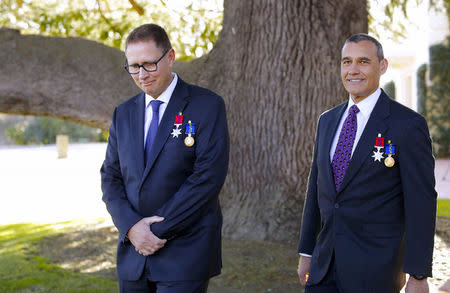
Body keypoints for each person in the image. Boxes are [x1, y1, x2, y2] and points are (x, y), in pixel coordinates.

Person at [297, 33, 437, 293]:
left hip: (375, 272)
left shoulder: (407, 125)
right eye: (346, 61)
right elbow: (316, 189)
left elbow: (421, 203)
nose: (353, 70)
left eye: (363, 61)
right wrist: (306, 251)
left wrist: (417, 274)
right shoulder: (327, 121)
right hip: (323, 268)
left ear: (382, 66)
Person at [101, 23, 229, 293]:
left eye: (149, 64)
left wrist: (155, 232)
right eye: (133, 66)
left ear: (170, 57)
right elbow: (111, 177)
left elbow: (207, 178)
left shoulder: (207, 105)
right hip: (133, 255)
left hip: (185, 253)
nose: (141, 75)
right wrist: (132, 228)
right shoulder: (122, 114)